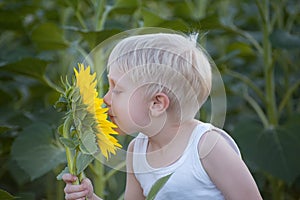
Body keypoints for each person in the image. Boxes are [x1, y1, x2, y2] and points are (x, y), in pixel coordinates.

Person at [62, 33, 263, 200]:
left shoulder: (206, 146)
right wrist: (89, 197)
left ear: (157, 104)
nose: (105, 99)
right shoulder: (137, 151)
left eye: (117, 89)